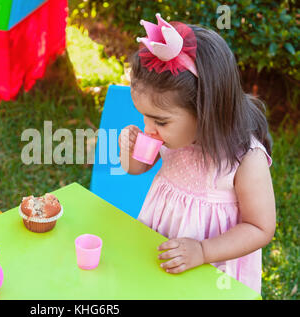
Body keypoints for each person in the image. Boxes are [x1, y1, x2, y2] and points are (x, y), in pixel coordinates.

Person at [118, 14, 276, 293]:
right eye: (144, 117)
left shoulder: (246, 159)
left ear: (205, 110)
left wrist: (202, 251)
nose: (148, 128)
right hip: (163, 251)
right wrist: (128, 150)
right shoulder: (172, 138)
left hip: (214, 269)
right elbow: (136, 168)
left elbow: (260, 227)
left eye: (160, 121)